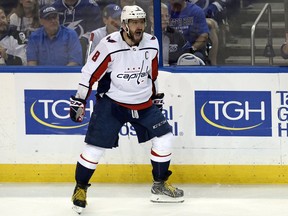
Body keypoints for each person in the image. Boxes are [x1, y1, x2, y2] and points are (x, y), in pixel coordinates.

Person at [69, 5, 184, 214]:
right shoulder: (109, 45)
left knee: (165, 138)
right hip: (113, 104)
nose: (139, 26)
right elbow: (89, 74)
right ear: (124, 25)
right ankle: (80, 189)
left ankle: (159, 185)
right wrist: (79, 101)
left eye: (141, 22)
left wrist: (155, 96)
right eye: (134, 22)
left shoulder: (151, 42)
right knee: (94, 149)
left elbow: (153, 74)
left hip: (143, 103)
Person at [168, 0, 210, 64]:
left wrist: (191, 49)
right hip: (168, 51)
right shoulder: (163, 10)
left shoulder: (196, 11)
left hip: (190, 52)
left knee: (197, 57)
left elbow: (204, 35)